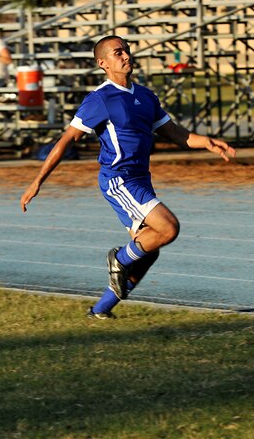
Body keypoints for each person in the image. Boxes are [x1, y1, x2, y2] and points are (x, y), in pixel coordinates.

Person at [20, 35, 236, 320]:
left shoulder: (146, 96)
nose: (125, 55)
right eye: (117, 52)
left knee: (150, 250)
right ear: (103, 63)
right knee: (169, 228)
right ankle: (118, 259)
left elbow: (176, 134)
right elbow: (66, 140)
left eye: (127, 50)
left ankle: (100, 310)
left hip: (141, 179)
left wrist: (207, 142)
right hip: (118, 179)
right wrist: (38, 181)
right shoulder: (100, 99)